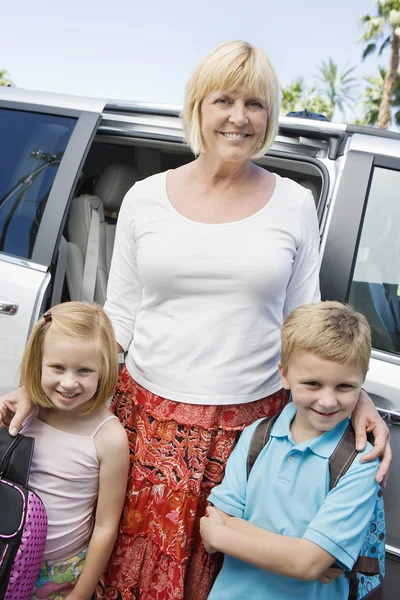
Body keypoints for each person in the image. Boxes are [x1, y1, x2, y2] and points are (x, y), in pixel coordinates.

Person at [0, 41, 390, 600]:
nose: (238, 117)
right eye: (223, 100)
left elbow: (307, 322)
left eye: (254, 103)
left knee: (222, 575)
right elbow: (119, 320)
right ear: (198, 109)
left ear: (269, 115)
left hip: (247, 431)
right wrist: (37, 387)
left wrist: (360, 398)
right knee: (127, 571)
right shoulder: (144, 198)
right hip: (146, 422)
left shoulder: (293, 203)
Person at [200, 301, 381, 600]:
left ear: (363, 380)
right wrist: (301, 551)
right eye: (312, 383)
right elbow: (215, 520)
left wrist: (225, 535)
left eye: (345, 387)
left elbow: (307, 563)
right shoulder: (256, 436)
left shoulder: (360, 463)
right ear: (284, 375)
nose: (327, 401)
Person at [15, 302, 129, 600]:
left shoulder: (108, 436)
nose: (69, 382)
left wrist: (81, 593)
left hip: (58, 571)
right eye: (57, 367)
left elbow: (105, 525)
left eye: (84, 370)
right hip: (7, 548)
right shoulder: (25, 411)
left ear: (103, 370)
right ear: (37, 362)